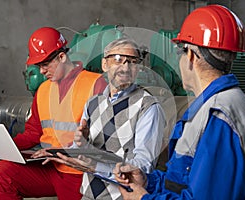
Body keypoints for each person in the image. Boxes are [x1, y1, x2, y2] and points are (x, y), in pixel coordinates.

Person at [114, 4, 245, 199]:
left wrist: (143, 198)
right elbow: (188, 180)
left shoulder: (219, 115)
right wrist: (148, 181)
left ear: (190, 55)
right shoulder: (222, 104)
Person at [0, 27, 107, 200]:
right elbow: (34, 133)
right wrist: (4, 147)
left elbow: (107, 140)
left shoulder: (96, 84)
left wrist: (60, 152)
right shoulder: (43, 90)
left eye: (45, 64)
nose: (41, 71)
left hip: (80, 171)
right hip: (49, 167)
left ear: (62, 57)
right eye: (39, 66)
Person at [45, 37, 166, 200]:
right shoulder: (93, 102)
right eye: (118, 59)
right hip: (88, 195)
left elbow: (143, 168)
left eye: (132, 61)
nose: (125, 67)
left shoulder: (148, 107)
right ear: (104, 65)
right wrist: (80, 144)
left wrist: (95, 167)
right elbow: (81, 152)